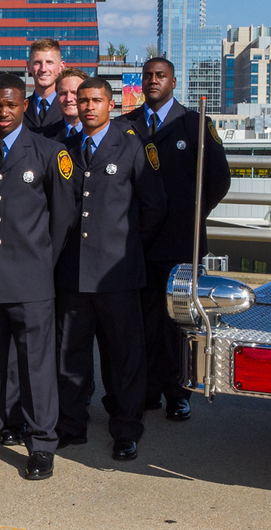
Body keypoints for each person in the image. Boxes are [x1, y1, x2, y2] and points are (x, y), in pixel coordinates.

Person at [0, 73, 76, 480]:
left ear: (24, 105)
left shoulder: (49, 152)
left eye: (10, 104)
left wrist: (41, 262)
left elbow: (63, 216)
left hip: (31, 280)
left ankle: (41, 443)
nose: (2, 112)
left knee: (35, 366)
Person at [55, 77, 166, 461]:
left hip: (117, 274)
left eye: (96, 100)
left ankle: (126, 428)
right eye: (83, 100)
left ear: (111, 104)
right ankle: (71, 425)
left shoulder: (133, 146)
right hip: (73, 273)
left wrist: (127, 247)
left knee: (123, 357)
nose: (88, 107)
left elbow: (154, 207)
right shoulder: (66, 149)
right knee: (70, 356)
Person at [114, 57, 230, 421]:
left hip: (180, 243)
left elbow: (219, 179)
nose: (153, 81)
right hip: (136, 242)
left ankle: (178, 394)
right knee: (142, 323)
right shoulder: (125, 125)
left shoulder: (194, 124)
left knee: (178, 323)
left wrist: (191, 215)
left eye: (160, 76)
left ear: (173, 82)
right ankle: (147, 390)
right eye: (148, 75)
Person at [24, 38, 65, 138]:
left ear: (61, 67)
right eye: (37, 63)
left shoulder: (69, 107)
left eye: (49, 62)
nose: (43, 69)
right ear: (29, 67)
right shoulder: (21, 109)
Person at [54, 67, 89, 140]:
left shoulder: (104, 134)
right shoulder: (44, 137)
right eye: (63, 93)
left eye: (75, 93)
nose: (68, 99)